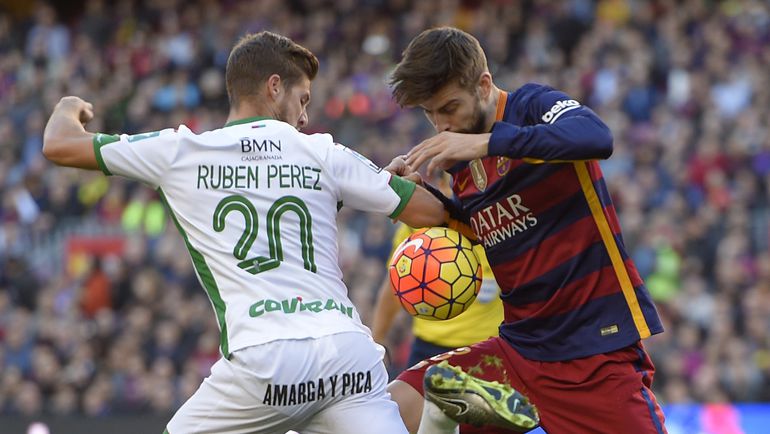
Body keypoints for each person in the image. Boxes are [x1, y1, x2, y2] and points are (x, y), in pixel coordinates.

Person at [42, 31, 450, 434]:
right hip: (349, 357)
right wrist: (387, 182)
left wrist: (67, 106)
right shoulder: (323, 151)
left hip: (267, 361)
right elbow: (432, 212)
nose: (304, 116)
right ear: (274, 87)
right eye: (302, 99)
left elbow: (59, 144)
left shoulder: (181, 151)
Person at [387, 27, 668, 434]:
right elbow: (481, 230)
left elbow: (596, 136)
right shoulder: (459, 159)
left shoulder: (532, 105)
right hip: (518, 353)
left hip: (593, 351)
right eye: (430, 114)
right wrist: (416, 196)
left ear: (484, 85)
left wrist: (487, 143)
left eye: (449, 107)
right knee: (395, 406)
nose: (441, 124)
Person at [371, 173, 504, 370]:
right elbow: (396, 284)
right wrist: (377, 340)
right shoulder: (419, 223)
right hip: (428, 346)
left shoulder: (497, 220)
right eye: (455, 184)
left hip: (487, 346)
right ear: (441, 184)